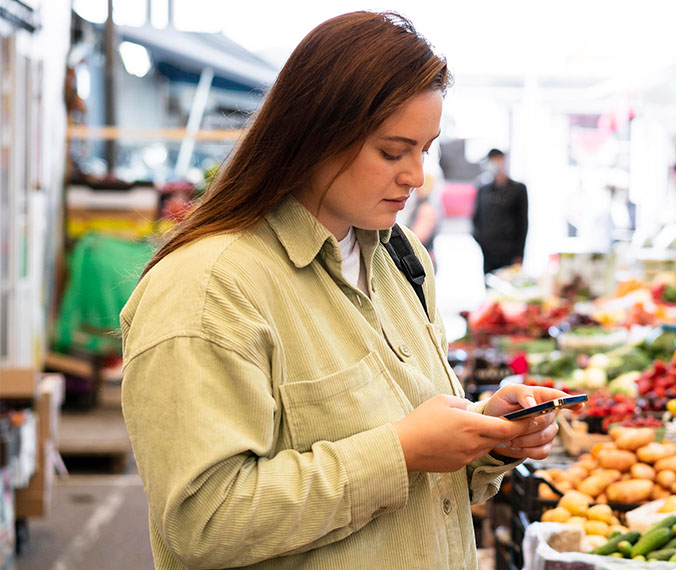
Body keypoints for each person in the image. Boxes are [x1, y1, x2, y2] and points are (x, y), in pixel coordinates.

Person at [119, 12, 569, 569]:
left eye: (424, 149)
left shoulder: (400, 255)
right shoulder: (209, 290)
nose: (416, 176)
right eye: (392, 151)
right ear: (313, 136)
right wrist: (401, 453)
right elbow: (204, 524)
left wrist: (488, 436)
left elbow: (419, 451)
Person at [472, 148, 528, 274]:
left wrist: (519, 254)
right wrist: (482, 242)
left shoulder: (518, 189)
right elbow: (476, 218)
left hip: (509, 253)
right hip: (489, 253)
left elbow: (522, 223)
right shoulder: (483, 189)